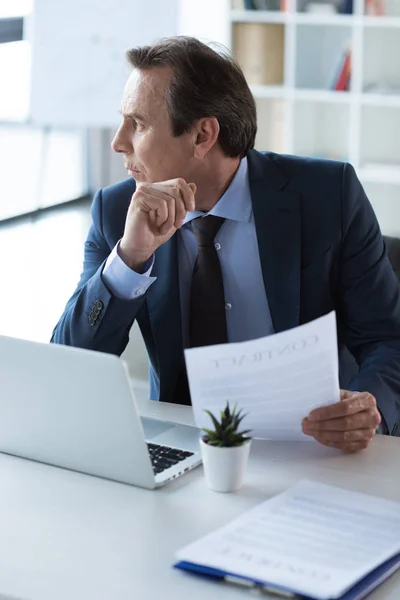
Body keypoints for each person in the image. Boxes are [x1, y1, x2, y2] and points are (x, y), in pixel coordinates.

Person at [52, 36, 400, 452]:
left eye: (138, 124)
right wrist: (130, 257)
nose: (118, 142)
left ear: (203, 134)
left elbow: (387, 338)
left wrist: (368, 407)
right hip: (187, 447)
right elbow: (68, 366)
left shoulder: (328, 195)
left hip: (312, 447)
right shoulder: (117, 212)